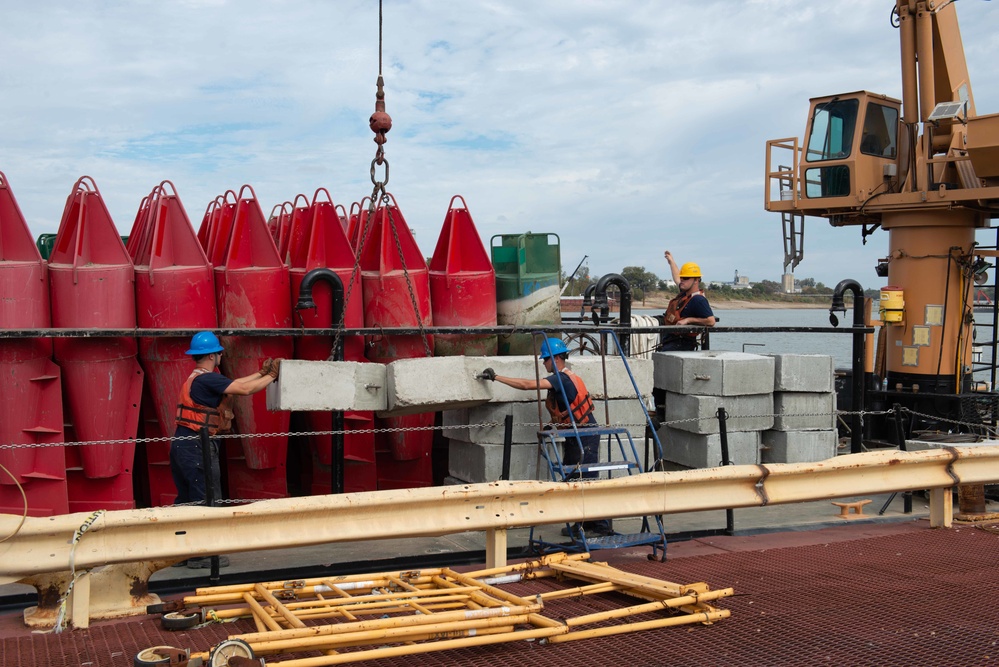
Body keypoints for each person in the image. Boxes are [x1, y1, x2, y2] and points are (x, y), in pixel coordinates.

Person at [478, 337, 613, 538]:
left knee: (587, 481)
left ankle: (601, 526)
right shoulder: (566, 378)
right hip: (577, 433)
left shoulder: (561, 378)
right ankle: (583, 523)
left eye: (546, 359)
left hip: (584, 434)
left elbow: (526, 385)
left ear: (556, 358)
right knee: (574, 479)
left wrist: (496, 377)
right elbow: (565, 411)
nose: (543, 363)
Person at [171, 331, 281, 568]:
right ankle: (204, 556)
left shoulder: (197, 377)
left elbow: (237, 382)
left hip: (182, 442)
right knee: (207, 499)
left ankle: (181, 553)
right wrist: (272, 376)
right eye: (220, 353)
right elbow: (243, 389)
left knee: (186, 500)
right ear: (213, 355)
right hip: (197, 444)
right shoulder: (207, 379)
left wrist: (261, 373)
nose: (221, 356)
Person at [661, 251, 716, 351]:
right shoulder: (685, 293)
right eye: (682, 277)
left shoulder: (698, 300)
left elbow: (711, 321)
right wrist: (671, 262)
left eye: (685, 278)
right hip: (670, 342)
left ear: (696, 280)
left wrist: (688, 320)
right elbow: (676, 278)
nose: (682, 280)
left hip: (682, 346)